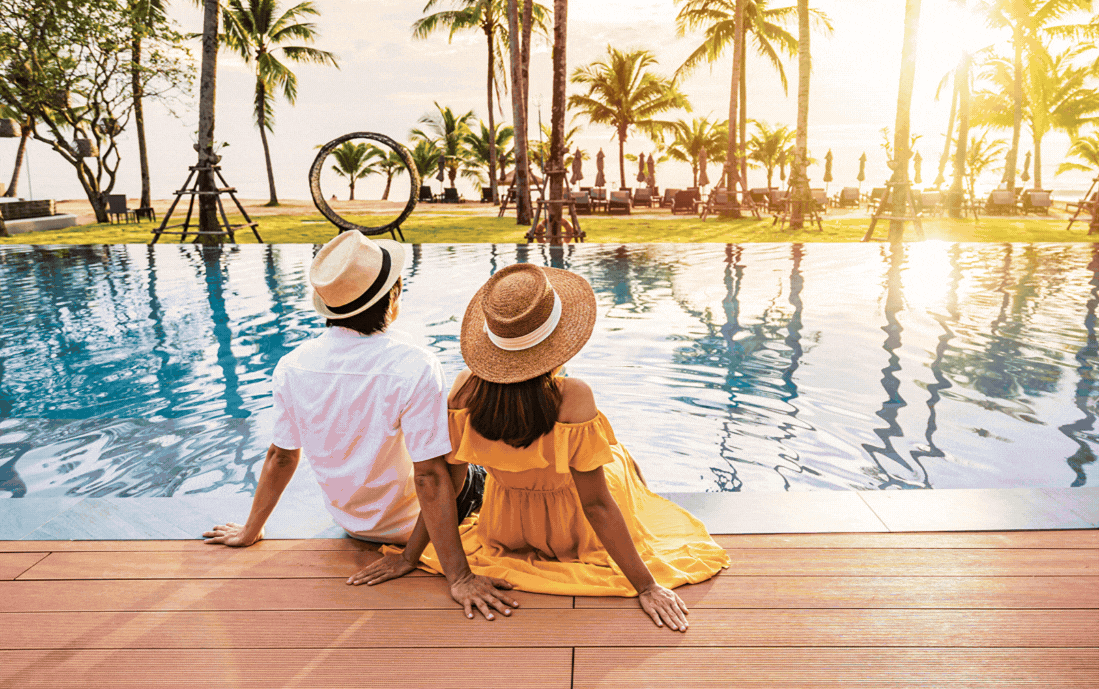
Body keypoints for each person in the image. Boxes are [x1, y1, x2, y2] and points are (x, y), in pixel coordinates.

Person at [352, 262, 729, 630]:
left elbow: (444, 487)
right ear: (559, 341)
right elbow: (596, 506)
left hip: (504, 528)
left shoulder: (464, 390)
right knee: (618, 456)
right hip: (574, 531)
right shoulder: (573, 397)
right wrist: (646, 586)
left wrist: (411, 556)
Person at [203, 230, 517, 621]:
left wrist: (250, 531)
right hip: (417, 524)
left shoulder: (291, 366)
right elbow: (431, 477)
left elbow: (281, 456)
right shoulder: (413, 364)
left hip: (354, 525)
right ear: (394, 296)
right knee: (471, 451)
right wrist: (457, 575)